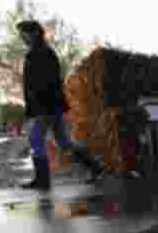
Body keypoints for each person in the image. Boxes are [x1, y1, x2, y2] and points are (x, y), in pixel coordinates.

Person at [17, 19, 106, 190]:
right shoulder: (38, 52)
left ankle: (42, 181)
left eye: (24, 33)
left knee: (36, 138)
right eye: (21, 34)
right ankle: (95, 166)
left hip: (46, 106)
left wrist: (38, 107)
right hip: (51, 106)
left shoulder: (42, 53)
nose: (22, 37)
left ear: (34, 33)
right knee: (64, 142)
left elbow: (46, 83)